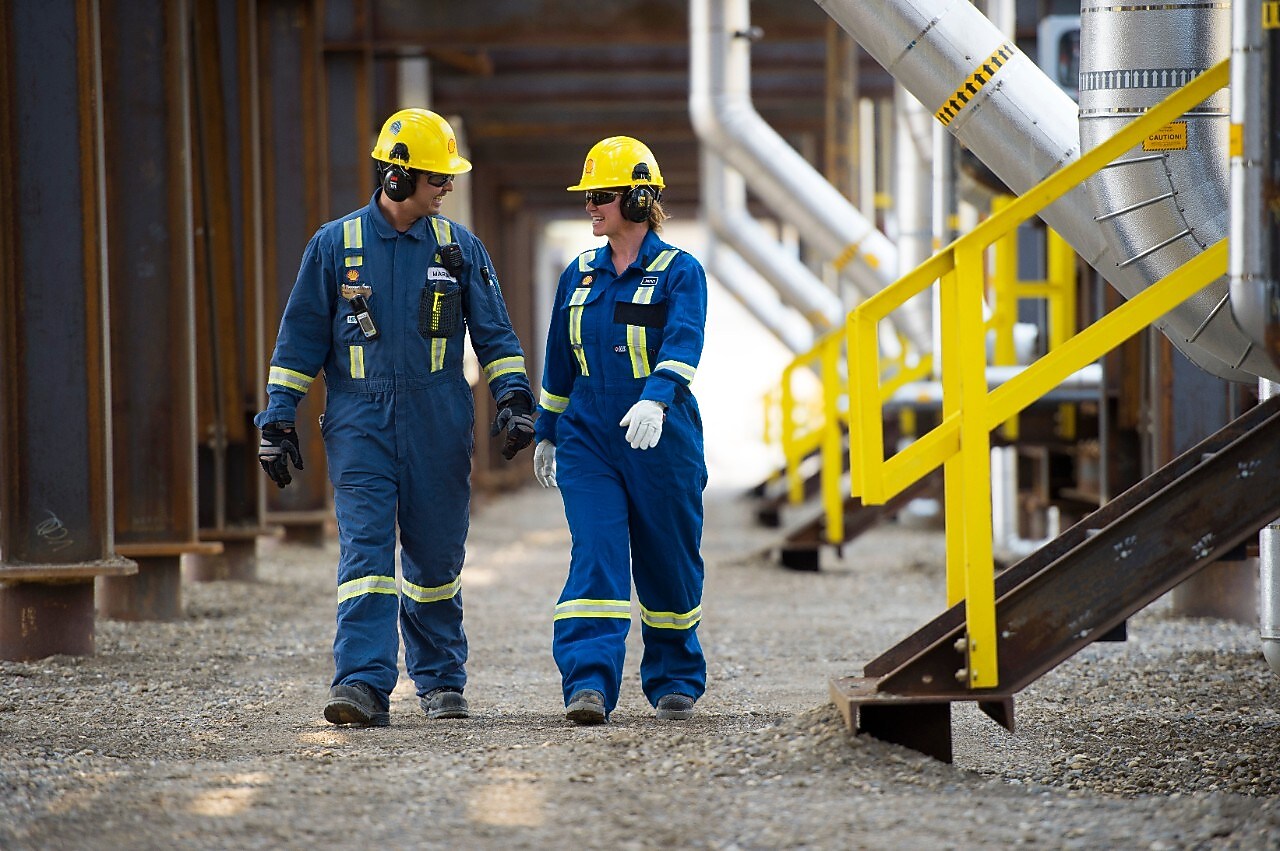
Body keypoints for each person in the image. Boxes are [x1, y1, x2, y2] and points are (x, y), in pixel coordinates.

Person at [255, 108, 535, 727]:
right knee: (366, 551)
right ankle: (361, 683)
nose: (448, 189)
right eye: (438, 178)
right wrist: (277, 419)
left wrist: (514, 398)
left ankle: (440, 681)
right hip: (360, 417)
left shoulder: (459, 248)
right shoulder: (334, 246)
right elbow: (299, 339)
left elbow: (495, 333)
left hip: (438, 414)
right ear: (399, 178)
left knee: (436, 558)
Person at [532, 136, 709, 724]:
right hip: (589, 435)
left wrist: (657, 400)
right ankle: (588, 681)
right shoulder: (577, 275)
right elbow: (560, 358)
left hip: (661, 435)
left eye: (600, 196)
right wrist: (548, 430)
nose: (590, 207)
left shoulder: (681, 272)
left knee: (669, 561)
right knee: (597, 554)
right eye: (587, 198)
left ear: (637, 197)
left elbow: (684, 341)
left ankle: (675, 676)